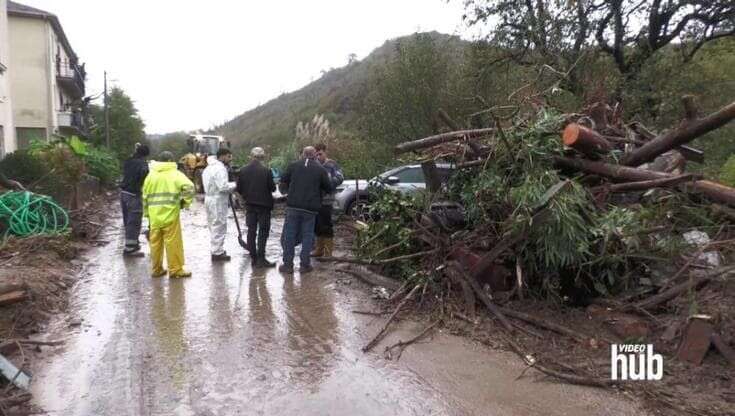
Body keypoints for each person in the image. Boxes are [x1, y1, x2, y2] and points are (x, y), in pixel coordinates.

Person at [278, 146, 332, 274]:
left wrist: (286, 193)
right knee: (308, 235)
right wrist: (320, 194)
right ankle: (304, 265)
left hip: (293, 206)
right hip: (310, 208)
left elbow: (282, 182)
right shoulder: (320, 169)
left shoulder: (293, 165)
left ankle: (288, 265)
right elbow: (329, 188)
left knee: (289, 235)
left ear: (302, 154)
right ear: (314, 155)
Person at [142, 151, 195, 278]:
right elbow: (190, 187)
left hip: (154, 216)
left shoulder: (151, 175)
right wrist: (185, 202)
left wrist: (146, 214)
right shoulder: (175, 174)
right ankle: (175, 270)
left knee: (155, 244)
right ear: (171, 160)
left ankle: (157, 269)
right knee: (172, 243)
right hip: (170, 215)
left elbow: (144, 196)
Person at [237, 147, 276, 268]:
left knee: (251, 231)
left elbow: (239, 188)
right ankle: (261, 258)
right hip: (264, 206)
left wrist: (246, 196)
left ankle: (253, 258)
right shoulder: (266, 171)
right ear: (262, 157)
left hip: (250, 205)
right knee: (263, 232)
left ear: (251, 156)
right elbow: (273, 188)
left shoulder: (243, 170)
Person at [202, 148, 236, 262]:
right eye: (229, 156)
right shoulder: (220, 169)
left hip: (209, 198)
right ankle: (217, 253)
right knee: (219, 225)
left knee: (213, 224)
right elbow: (223, 186)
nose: (230, 159)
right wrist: (236, 185)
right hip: (217, 199)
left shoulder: (208, 168)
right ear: (222, 156)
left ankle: (216, 249)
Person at [311, 143, 343, 258]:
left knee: (327, 225)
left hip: (327, 200)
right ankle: (319, 249)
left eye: (320, 154)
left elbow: (340, 177)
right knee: (317, 225)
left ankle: (328, 252)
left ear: (325, 152)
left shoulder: (332, 164)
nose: (319, 156)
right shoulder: (314, 165)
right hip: (315, 200)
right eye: (317, 154)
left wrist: (328, 184)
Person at [119, 143, 150, 257]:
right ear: (145, 155)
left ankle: (134, 243)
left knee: (128, 220)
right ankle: (130, 249)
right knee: (134, 221)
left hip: (123, 194)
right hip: (134, 195)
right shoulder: (143, 164)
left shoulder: (128, 161)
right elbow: (145, 179)